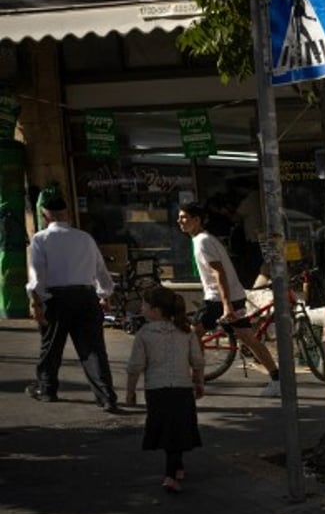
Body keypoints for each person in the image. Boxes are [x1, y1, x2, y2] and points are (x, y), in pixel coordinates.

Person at [25, 195, 120, 412]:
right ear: (67, 213)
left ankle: (47, 389)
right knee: (94, 350)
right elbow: (101, 271)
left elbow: (37, 276)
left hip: (56, 299)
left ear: (44, 215)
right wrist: (104, 295)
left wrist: (35, 302)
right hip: (86, 298)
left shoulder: (41, 239)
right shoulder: (85, 238)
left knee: (51, 347)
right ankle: (106, 397)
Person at [177, 202, 281, 397]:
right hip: (232, 297)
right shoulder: (205, 239)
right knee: (248, 338)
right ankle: (277, 378)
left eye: (184, 217)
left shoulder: (203, 241)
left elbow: (219, 273)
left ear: (197, 220)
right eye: (179, 217)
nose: (179, 221)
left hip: (219, 300)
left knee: (192, 335)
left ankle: (196, 379)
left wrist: (226, 305)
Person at [126, 287, 205, 493]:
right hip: (182, 389)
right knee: (178, 429)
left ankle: (171, 476)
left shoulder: (144, 334)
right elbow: (197, 361)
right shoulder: (185, 331)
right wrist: (199, 382)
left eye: (144, 304)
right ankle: (177, 467)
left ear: (156, 310)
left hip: (156, 390)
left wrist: (130, 391)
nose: (141, 308)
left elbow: (135, 366)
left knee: (168, 432)